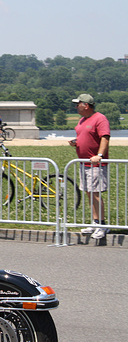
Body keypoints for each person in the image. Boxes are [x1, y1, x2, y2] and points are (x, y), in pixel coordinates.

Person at [69, 93, 111, 239]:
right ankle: (95, 221)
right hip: (83, 163)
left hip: (95, 164)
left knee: (96, 193)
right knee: (89, 192)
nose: (76, 107)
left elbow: (104, 138)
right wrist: (76, 142)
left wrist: (99, 156)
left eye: (78, 104)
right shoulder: (82, 120)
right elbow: (85, 136)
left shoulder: (100, 118)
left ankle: (102, 225)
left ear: (86, 105)